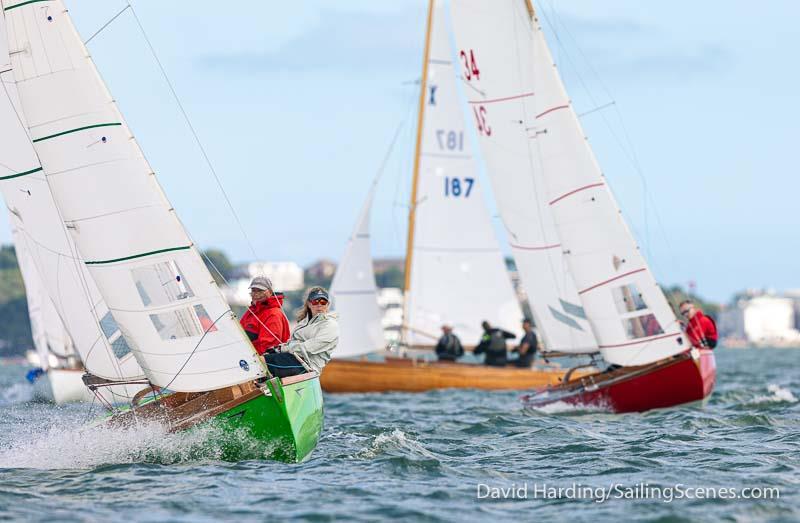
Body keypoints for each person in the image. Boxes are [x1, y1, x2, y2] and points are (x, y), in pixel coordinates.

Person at [264, 286, 339, 378]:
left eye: (323, 302)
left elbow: (309, 347)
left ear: (327, 304)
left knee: (262, 362)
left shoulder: (330, 325)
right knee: (261, 359)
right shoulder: (303, 323)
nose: (319, 305)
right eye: (315, 301)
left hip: (307, 367)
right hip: (293, 359)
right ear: (309, 304)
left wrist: (282, 349)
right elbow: (292, 343)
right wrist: (277, 349)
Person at [239, 276, 290, 355]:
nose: (256, 293)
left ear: (270, 292)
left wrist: (242, 353)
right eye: (253, 290)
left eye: (260, 290)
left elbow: (268, 346)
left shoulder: (273, 314)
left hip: (259, 361)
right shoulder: (252, 310)